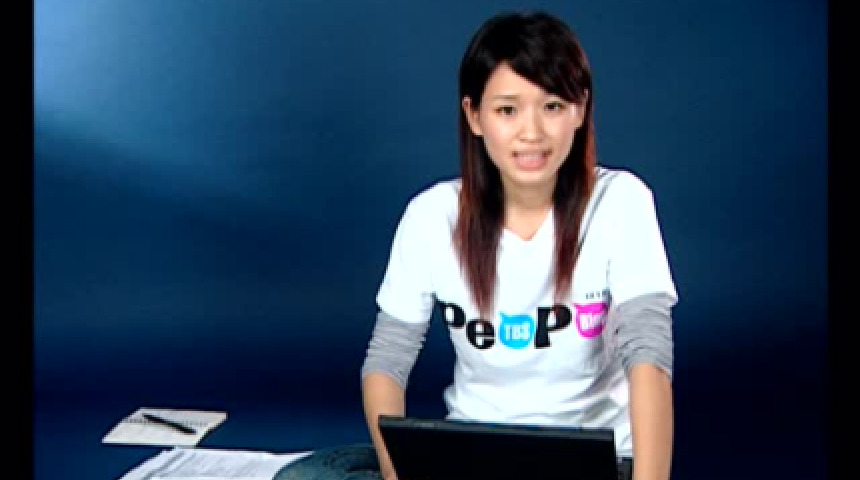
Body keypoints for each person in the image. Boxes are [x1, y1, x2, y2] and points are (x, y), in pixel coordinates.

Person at [274, 9, 677, 480]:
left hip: (588, 463)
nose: (532, 132)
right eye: (507, 110)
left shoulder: (620, 201)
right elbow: (387, 360)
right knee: (304, 476)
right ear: (475, 115)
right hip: (469, 458)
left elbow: (649, 361)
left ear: (580, 109)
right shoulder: (431, 215)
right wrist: (395, 475)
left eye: (552, 106)